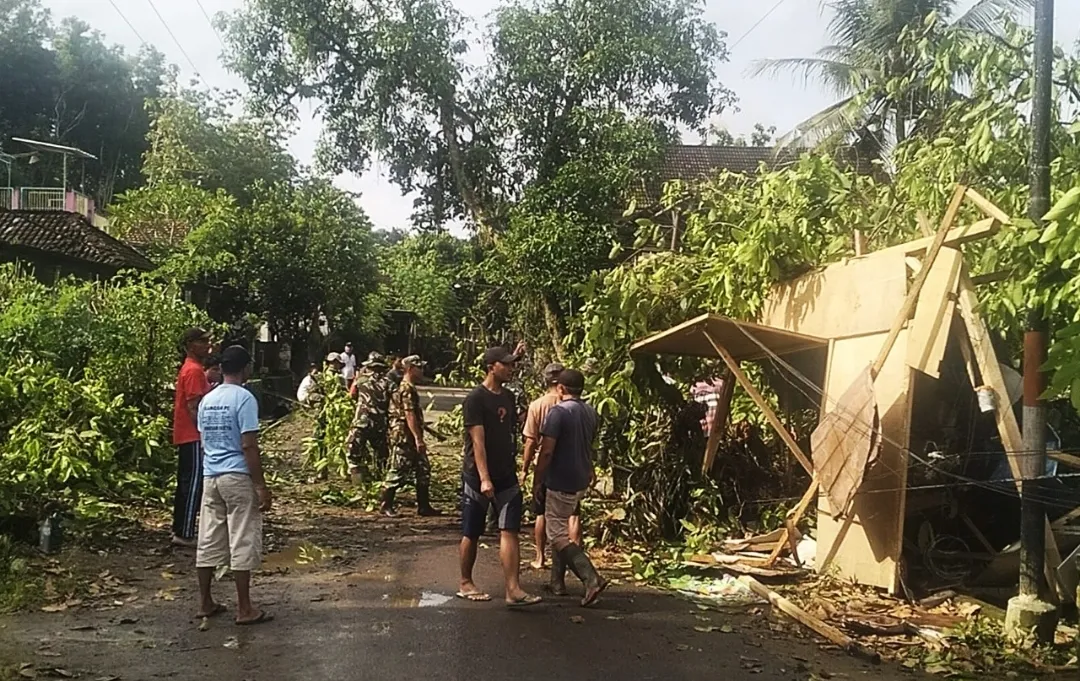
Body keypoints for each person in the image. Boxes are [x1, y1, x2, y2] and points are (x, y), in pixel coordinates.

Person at [195, 345, 273, 626]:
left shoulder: (208, 399)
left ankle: (205, 601)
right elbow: (248, 445)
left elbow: (204, 442)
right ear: (245, 368)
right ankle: (245, 608)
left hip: (211, 475)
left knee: (207, 538)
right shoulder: (244, 398)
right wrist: (261, 485)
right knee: (242, 536)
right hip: (237, 475)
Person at [457, 347, 541, 607]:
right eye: (506, 365)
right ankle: (465, 582)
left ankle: (513, 589)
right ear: (491, 366)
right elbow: (478, 442)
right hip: (478, 475)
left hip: (507, 474)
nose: (511, 369)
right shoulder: (475, 399)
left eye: (512, 364)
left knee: (510, 530)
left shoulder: (508, 396)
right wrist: (484, 478)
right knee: (472, 531)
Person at [533, 368, 606, 606]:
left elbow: (546, 451)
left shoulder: (558, 413)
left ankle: (591, 577)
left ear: (561, 389)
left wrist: (538, 479)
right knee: (561, 530)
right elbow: (589, 445)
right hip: (579, 479)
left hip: (560, 479)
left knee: (556, 535)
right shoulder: (591, 412)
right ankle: (557, 582)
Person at [521, 362, 582, 571]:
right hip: (574, 467)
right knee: (573, 515)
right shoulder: (579, 407)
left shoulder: (538, 405)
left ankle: (540, 557)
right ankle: (573, 555)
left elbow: (532, 442)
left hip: (549, 468)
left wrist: (526, 469)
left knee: (542, 514)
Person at [379, 356, 442, 517]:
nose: (422, 371)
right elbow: (409, 414)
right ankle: (386, 504)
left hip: (411, 436)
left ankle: (424, 506)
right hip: (404, 436)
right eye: (419, 368)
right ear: (410, 369)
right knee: (398, 469)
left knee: (423, 469)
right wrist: (418, 438)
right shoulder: (406, 388)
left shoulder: (410, 387)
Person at [171, 327, 213, 548]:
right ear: (190, 345)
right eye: (203, 341)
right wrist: (207, 434)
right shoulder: (194, 370)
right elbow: (193, 406)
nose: (208, 345)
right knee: (193, 484)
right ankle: (185, 533)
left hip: (188, 434)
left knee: (187, 482)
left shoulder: (194, 369)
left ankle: (181, 529)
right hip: (193, 435)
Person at [346, 352, 392, 479]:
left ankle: (359, 484)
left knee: (353, 454)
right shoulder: (390, 383)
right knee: (381, 455)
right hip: (380, 424)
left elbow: (351, 395)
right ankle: (381, 481)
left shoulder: (361, 380)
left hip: (361, 423)